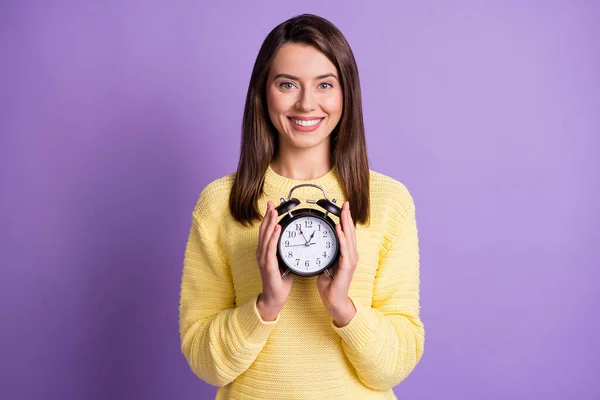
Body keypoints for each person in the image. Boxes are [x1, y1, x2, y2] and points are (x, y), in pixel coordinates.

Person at [179, 13, 424, 400]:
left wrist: (343, 307)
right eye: (287, 84)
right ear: (263, 92)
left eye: (325, 84)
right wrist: (265, 305)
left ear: (346, 94)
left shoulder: (389, 202)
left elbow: (394, 366)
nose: (307, 103)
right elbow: (204, 363)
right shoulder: (220, 203)